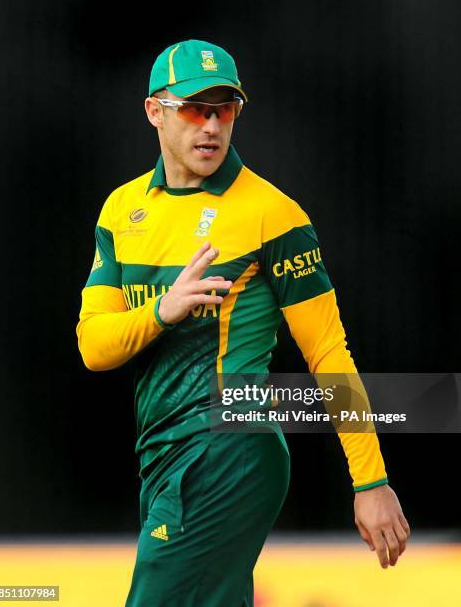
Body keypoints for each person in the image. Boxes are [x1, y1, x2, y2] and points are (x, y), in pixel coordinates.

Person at [76, 39, 410, 607]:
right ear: (155, 111)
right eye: (193, 108)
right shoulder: (121, 210)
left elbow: (328, 352)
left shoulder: (272, 213)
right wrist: (163, 309)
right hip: (161, 456)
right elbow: (94, 347)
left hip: (230, 447)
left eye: (223, 109)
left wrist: (371, 481)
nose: (210, 126)